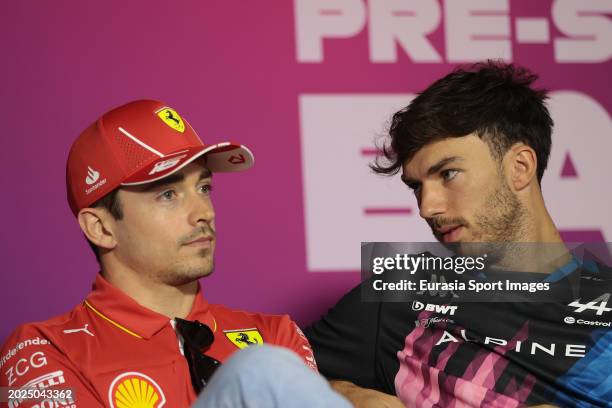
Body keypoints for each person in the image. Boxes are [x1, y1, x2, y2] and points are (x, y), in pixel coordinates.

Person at [304, 61, 612, 407]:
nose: (427, 207)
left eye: (448, 174)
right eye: (416, 187)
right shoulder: (403, 294)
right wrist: (345, 395)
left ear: (520, 167)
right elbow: (262, 370)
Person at [0, 100, 324, 407]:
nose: (203, 213)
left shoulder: (274, 334)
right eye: (168, 194)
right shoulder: (43, 350)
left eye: (204, 188)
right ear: (101, 227)